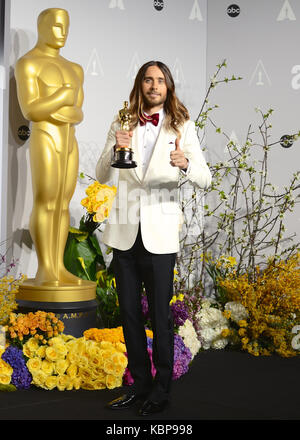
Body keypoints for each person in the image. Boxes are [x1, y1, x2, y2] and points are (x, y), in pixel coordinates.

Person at [96, 60, 212, 416]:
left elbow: (205, 178)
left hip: (160, 237)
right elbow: (100, 172)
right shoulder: (122, 121)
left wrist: (185, 165)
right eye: (148, 79)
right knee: (130, 315)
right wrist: (118, 148)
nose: (154, 85)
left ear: (168, 86)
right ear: (140, 84)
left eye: (160, 80)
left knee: (160, 316)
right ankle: (139, 386)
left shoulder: (182, 125)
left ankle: (161, 391)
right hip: (125, 234)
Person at [15, 8, 84, 286]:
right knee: (46, 200)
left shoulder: (75, 68)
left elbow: (78, 112)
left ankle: (58, 266)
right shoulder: (28, 63)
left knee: (63, 203)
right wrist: (61, 98)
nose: (62, 32)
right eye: (56, 26)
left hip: (69, 138)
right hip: (45, 136)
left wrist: (60, 108)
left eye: (65, 26)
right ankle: (46, 268)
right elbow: (31, 109)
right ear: (42, 27)